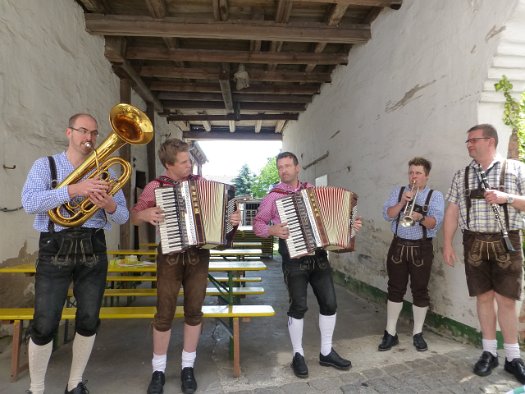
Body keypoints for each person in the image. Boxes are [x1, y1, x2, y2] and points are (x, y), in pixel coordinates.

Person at [21, 113, 129, 394]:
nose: (89, 138)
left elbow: (123, 217)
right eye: (83, 131)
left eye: (94, 133)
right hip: (54, 245)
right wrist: (73, 190)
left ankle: (74, 383)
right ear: (69, 132)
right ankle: (36, 388)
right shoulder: (46, 165)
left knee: (89, 318)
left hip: (93, 246)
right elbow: (30, 202)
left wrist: (109, 205)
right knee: (44, 321)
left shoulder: (109, 170)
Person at [131, 138, 240, 394]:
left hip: (198, 255)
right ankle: (158, 370)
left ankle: (187, 367)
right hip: (169, 256)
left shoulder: (201, 184)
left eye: (189, 160)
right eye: (183, 162)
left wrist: (232, 218)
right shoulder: (155, 187)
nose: (189, 165)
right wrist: (145, 214)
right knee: (164, 313)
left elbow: (223, 216)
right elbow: (134, 216)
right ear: (168, 165)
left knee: (194, 311)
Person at [253, 151, 362, 379]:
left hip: (319, 257)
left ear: (297, 167)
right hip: (294, 261)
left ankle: (326, 352)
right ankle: (298, 354)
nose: (283, 170)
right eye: (280, 167)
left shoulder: (312, 191)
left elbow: (331, 222)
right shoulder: (273, 197)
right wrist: (272, 230)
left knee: (330, 303)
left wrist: (350, 228)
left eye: (287, 166)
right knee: (298, 306)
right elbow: (258, 224)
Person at [443, 124, 525, 384]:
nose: (468, 144)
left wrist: (506, 198)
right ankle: (489, 352)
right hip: (474, 242)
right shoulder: (461, 175)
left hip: (506, 241)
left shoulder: (516, 169)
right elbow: (453, 211)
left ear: (490, 141)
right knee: (484, 298)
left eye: (473, 140)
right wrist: (447, 243)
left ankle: (513, 357)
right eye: (467, 141)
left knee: (507, 300)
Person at [378, 157, 444, 352]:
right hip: (398, 245)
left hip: (421, 248)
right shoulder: (399, 191)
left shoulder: (435, 196)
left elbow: (434, 223)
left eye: (418, 173)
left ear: (426, 175)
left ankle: (417, 333)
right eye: (411, 172)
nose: (413, 177)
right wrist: (401, 202)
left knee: (420, 290)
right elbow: (387, 214)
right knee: (395, 289)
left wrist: (420, 217)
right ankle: (390, 333)